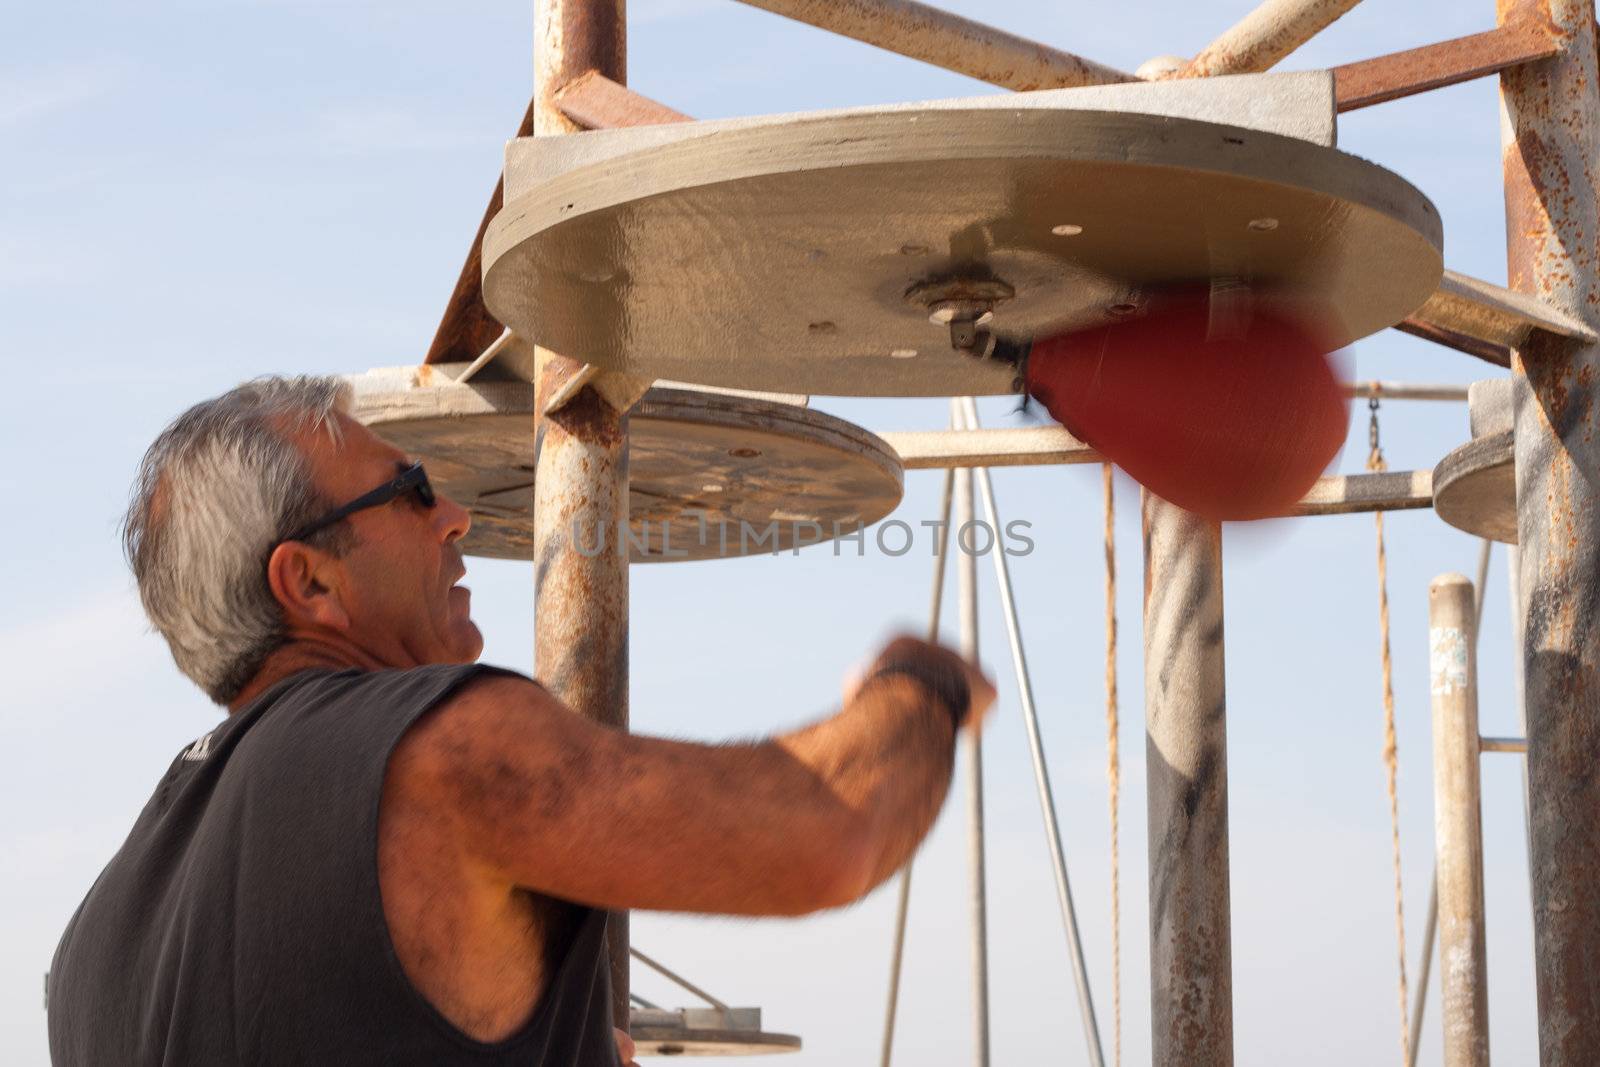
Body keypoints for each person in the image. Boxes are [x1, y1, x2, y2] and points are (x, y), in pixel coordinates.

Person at [46, 376, 996, 1066]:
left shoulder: (93, 944)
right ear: (310, 581)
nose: (456, 515)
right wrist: (919, 686)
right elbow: (829, 829)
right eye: (411, 489)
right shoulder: (434, 749)